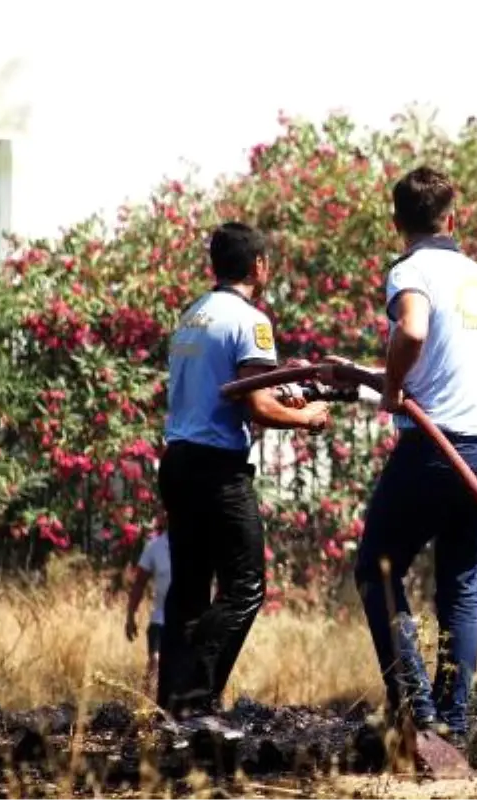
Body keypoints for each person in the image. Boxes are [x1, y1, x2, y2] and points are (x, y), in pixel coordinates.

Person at [350, 166, 477, 751]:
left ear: (397, 222)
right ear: (452, 216)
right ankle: (455, 725)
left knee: (376, 568)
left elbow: (413, 333)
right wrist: (369, 376)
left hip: (437, 450)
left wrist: (390, 390)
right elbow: (446, 362)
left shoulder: (410, 269)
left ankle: (417, 711)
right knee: (460, 590)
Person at [158, 221, 332, 733]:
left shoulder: (192, 316)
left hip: (179, 462)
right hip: (218, 471)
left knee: (188, 589)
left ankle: (174, 710)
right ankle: (199, 703)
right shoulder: (251, 321)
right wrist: (307, 417)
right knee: (245, 586)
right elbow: (255, 404)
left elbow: (229, 389)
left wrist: (286, 391)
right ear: (259, 266)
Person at [125, 529, 171, 699]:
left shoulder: (199, 543)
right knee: (155, 662)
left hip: (190, 622)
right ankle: (145, 708)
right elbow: (139, 584)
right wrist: (130, 616)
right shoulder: (155, 547)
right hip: (160, 619)